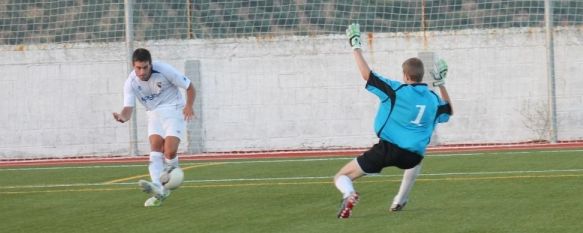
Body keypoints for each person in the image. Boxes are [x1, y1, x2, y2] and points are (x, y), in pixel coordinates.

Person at [333, 23, 453, 218]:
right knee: (416, 157)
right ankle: (400, 200)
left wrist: (355, 45)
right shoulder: (432, 98)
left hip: (387, 150)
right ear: (421, 76)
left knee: (342, 176)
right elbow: (448, 110)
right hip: (412, 156)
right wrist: (441, 84)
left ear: (405, 75)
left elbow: (366, 75)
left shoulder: (396, 90)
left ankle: (349, 193)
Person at [113, 48, 195, 207]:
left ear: (150, 64)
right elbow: (128, 109)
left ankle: (171, 177)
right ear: (133, 66)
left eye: (145, 67)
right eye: (138, 68)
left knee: (169, 150)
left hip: (174, 109)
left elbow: (190, 87)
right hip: (153, 113)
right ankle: (159, 188)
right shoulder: (130, 83)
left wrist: (189, 106)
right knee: (155, 147)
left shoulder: (164, 70)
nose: (141, 71)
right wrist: (122, 117)